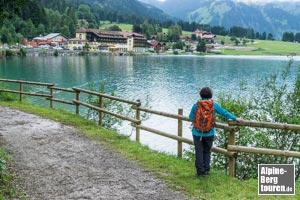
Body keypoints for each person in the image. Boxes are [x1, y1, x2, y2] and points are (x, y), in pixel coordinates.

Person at [189, 87, 244, 177]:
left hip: (197, 133)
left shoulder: (196, 105)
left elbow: (190, 117)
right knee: (207, 151)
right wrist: (235, 118)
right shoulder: (214, 105)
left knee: (199, 151)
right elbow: (224, 113)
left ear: (201, 95)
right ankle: (206, 171)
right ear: (211, 95)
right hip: (209, 133)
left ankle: (200, 172)